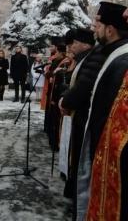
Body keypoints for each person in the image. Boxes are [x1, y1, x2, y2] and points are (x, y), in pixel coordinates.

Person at [75, 2, 128, 221]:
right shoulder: (112, 54)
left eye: (97, 23)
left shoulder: (121, 59)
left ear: (110, 29)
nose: (93, 27)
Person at [56, 28, 96, 212]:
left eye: (74, 43)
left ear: (85, 44)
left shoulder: (91, 59)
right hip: (74, 116)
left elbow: (82, 87)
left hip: (82, 118)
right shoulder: (83, 59)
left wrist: (66, 99)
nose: (70, 47)